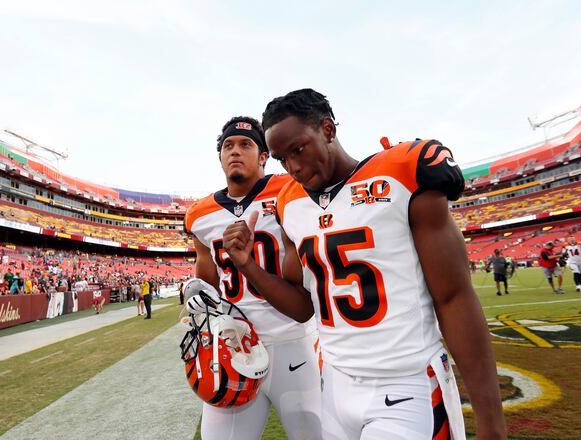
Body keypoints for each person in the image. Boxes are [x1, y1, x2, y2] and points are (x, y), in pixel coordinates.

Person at [223, 89, 504, 439]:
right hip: (335, 386)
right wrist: (249, 267)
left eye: (298, 150)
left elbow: (455, 298)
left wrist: (491, 421)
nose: (293, 167)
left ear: (327, 130)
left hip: (408, 382)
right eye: (282, 159)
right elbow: (302, 307)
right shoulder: (290, 204)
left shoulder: (401, 176)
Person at [185, 115, 321, 440]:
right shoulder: (199, 215)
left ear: (263, 156)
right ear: (219, 157)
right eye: (228, 145)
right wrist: (197, 295)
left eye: (246, 144)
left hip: (294, 340)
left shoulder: (291, 191)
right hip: (236, 349)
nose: (235, 151)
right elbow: (209, 285)